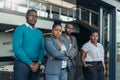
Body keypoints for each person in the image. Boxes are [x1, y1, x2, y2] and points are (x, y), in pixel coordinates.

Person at [12, 9, 45, 80]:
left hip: (36, 65)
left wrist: (39, 62)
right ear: (26, 17)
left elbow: (42, 49)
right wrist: (29, 63)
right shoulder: (20, 29)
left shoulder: (39, 33)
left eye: (35, 16)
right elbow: (17, 48)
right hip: (22, 64)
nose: (33, 18)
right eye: (31, 15)